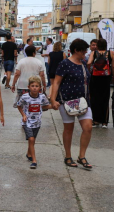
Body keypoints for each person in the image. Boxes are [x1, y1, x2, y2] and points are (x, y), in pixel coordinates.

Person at [50, 39, 93, 169]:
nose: (86, 53)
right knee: (69, 129)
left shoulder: (83, 63)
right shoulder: (64, 63)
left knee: (88, 127)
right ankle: (68, 156)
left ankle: (81, 156)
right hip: (67, 101)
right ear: (76, 50)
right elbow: (56, 82)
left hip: (83, 101)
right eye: (84, 50)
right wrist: (53, 99)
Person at [17, 76, 51, 169]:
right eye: (32, 86)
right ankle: (34, 160)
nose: (34, 87)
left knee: (33, 140)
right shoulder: (25, 97)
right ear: (28, 87)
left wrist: (54, 106)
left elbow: (45, 106)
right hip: (27, 122)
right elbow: (18, 105)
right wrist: (23, 115)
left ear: (40, 87)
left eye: (36, 86)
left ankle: (29, 153)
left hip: (37, 122)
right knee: (31, 139)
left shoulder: (42, 97)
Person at [87, 39, 114, 128]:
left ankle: (95, 120)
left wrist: (90, 71)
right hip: (106, 78)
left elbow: (88, 63)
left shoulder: (94, 53)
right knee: (105, 99)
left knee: (94, 99)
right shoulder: (110, 53)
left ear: (98, 45)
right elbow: (113, 66)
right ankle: (104, 122)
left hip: (95, 78)